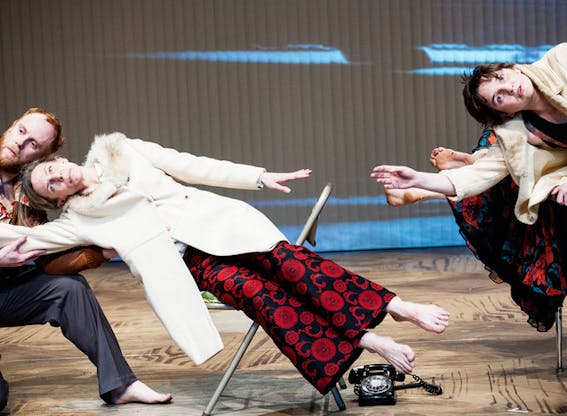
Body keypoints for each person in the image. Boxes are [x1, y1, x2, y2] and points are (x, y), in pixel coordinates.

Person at [0, 132, 450, 396]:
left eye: (53, 169)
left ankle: (396, 305)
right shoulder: (80, 219)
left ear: (60, 158)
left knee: (297, 270)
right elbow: (23, 237)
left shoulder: (120, 149)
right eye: (51, 185)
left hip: (223, 225)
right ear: (55, 200)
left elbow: (192, 165)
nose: (59, 178)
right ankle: (371, 339)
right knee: (262, 298)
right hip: (192, 263)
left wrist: (258, 177)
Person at [374, 42, 567, 330]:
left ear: (512, 68)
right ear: (503, 113)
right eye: (499, 98)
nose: (509, 89)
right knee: (510, 180)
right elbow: (480, 176)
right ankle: (432, 184)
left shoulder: (564, 58)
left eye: (503, 79)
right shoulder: (517, 130)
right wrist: (418, 177)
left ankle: (457, 168)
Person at [0, 109, 171, 410]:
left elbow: (47, 261)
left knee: (69, 288)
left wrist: (102, 252)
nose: (21, 143)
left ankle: (121, 383)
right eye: (21, 131)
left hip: (6, 294)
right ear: (13, 126)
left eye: (34, 145)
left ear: (40, 157)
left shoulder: (28, 196)